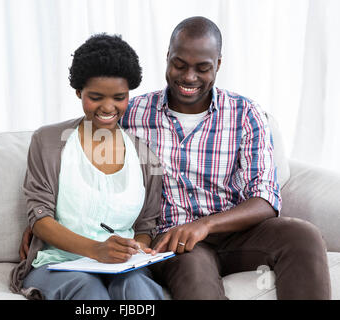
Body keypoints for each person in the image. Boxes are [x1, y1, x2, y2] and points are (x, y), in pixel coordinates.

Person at [18, 17, 331, 300]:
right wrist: (43, 223)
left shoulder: (244, 114)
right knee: (194, 278)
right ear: (166, 58)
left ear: (218, 64)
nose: (189, 76)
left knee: (302, 235)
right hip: (175, 242)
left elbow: (265, 197)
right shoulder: (132, 111)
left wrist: (205, 225)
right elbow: (84, 143)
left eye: (202, 67)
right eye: (179, 64)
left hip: (236, 231)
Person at [9, 34, 164, 300]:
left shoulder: (144, 155)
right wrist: (95, 250)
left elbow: (146, 226)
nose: (108, 107)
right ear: (79, 91)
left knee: (139, 292)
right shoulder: (47, 142)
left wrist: (133, 249)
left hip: (121, 268)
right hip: (60, 264)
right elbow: (39, 217)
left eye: (119, 97)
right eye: (96, 97)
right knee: (90, 294)